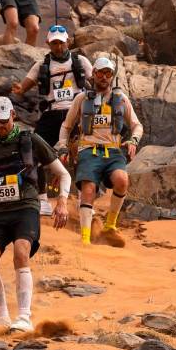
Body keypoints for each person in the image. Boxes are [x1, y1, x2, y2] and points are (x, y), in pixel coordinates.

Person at [0, 97, 71, 332]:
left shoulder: (31, 140)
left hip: (26, 207)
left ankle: (24, 317)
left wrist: (62, 202)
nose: (0, 127)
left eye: (3, 121)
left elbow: (63, 173)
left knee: (20, 252)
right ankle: (1, 316)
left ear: (13, 116)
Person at [57, 57, 143, 247]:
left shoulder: (120, 99)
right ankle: (85, 239)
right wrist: (62, 146)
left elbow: (137, 126)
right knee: (88, 189)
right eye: (100, 73)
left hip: (113, 150)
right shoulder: (81, 99)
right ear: (93, 74)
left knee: (122, 180)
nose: (104, 77)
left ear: (112, 76)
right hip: (88, 149)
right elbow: (66, 126)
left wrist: (133, 141)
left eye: (108, 73)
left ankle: (110, 225)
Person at [11, 25, 93, 215]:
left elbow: (96, 81)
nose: (58, 46)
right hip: (51, 114)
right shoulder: (41, 65)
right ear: (48, 43)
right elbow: (24, 86)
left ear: (68, 42)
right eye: (54, 43)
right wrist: (18, 89)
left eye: (61, 42)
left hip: (76, 112)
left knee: (82, 156)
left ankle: (83, 201)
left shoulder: (80, 61)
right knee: (33, 153)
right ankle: (42, 200)